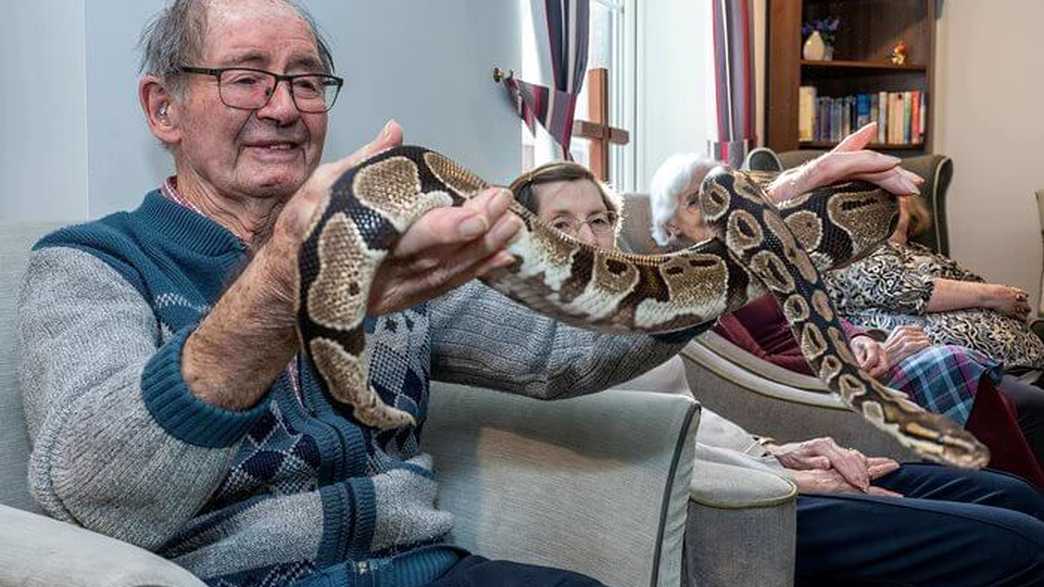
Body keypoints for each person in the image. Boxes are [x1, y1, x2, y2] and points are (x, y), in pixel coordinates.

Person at [18, 1, 692, 585]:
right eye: (246, 79)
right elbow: (97, 493)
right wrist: (283, 283)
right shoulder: (93, 264)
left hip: (425, 569)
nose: (283, 108)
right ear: (163, 108)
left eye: (306, 82)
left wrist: (729, 264)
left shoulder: (390, 252)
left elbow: (560, 351)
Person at [519, 158, 1044, 586]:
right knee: (1019, 542)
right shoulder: (534, 334)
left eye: (599, 219)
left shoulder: (628, 304)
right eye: (561, 224)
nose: (586, 237)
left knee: (1011, 494)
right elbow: (621, 446)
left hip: (757, 461)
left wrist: (778, 447)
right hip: (720, 496)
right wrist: (776, 472)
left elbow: (691, 418)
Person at [648, 148, 1044, 475]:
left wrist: (858, 339)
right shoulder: (694, 291)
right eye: (695, 201)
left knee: (1004, 394)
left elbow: (824, 312)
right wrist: (849, 362)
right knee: (952, 365)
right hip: (817, 387)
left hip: (847, 362)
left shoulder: (756, 260)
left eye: (720, 196)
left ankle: (1019, 494)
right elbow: (762, 366)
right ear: (670, 228)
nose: (714, 209)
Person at [824, 180, 1044, 372]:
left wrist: (1007, 303)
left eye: (891, 196)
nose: (883, 204)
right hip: (955, 369)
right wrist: (996, 295)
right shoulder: (856, 254)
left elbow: (978, 286)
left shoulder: (924, 253)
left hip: (1020, 362)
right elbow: (901, 288)